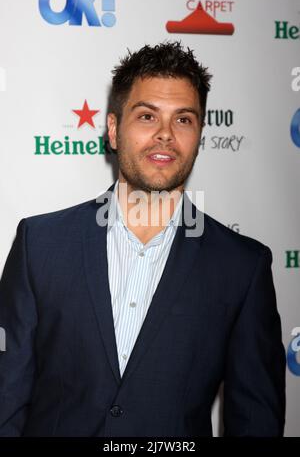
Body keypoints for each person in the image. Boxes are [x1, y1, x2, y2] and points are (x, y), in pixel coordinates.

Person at [0, 42, 285, 437]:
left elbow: (255, 420)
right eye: (147, 116)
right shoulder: (40, 245)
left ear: (200, 135)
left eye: (183, 120)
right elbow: (6, 400)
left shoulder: (242, 266)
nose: (165, 135)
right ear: (114, 130)